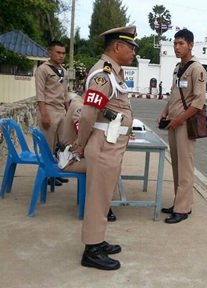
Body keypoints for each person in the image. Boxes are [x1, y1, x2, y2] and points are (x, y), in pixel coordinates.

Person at [74, 25, 138, 270]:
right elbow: (89, 114)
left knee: (102, 198)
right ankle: (91, 250)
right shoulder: (102, 73)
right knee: (97, 199)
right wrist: (81, 144)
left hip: (111, 144)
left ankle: (97, 240)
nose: (133, 52)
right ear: (117, 47)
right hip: (103, 145)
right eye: (130, 47)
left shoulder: (113, 73)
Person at [158, 29, 206, 224]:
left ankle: (183, 208)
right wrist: (165, 111)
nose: (177, 47)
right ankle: (179, 202)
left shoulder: (197, 69)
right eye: (175, 44)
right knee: (177, 164)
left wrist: (179, 119)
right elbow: (174, 94)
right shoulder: (178, 68)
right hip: (174, 121)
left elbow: (198, 101)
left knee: (185, 166)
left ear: (191, 45)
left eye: (181, 44)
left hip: (186, 124)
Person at [60, 93, 117, 222]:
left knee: (107, 163)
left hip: (73, 156)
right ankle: (102, 207)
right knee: (105, 166)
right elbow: (82, 131)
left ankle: (104, 203)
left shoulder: (79, 103)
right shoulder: (80, 107)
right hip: (70, 160)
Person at [35, 40, 70, 186]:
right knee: (48, 146)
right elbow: (40, 93)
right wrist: (44, 114)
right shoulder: (43, 70)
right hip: (48, 110)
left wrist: (69, 113)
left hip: (61, 111)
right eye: (58, 52)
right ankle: (47, 176)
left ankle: (56, 172)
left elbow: (66, 94)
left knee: (60, 146)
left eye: (63, 53)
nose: (61, 56)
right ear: (50, 52)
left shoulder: (64, 71)